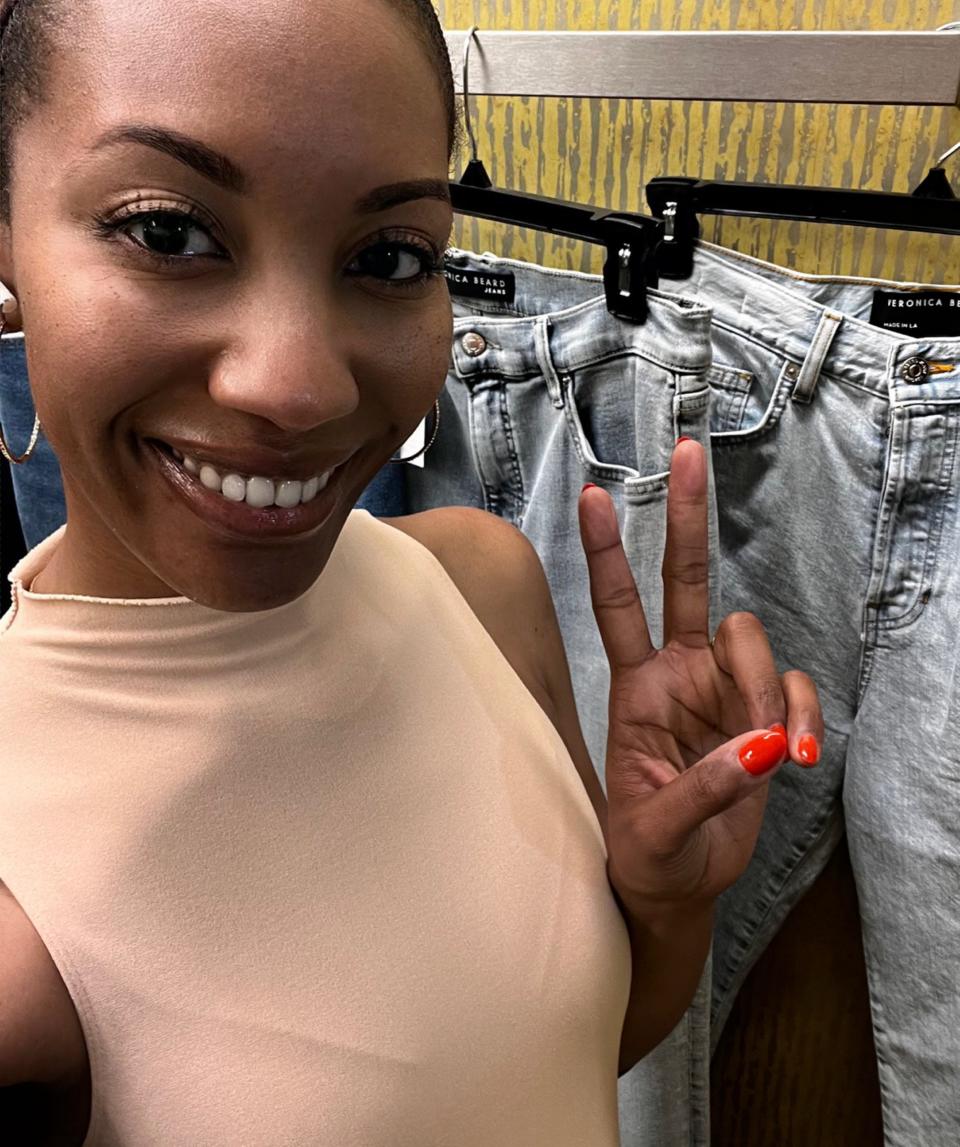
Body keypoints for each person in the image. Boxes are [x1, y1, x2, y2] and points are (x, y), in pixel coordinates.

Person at [0, 0, 823, 1143]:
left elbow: (562, 1049)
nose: (297, 387)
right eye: (170, 233)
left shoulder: (477, 583)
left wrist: (664, 898)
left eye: (388, 257)